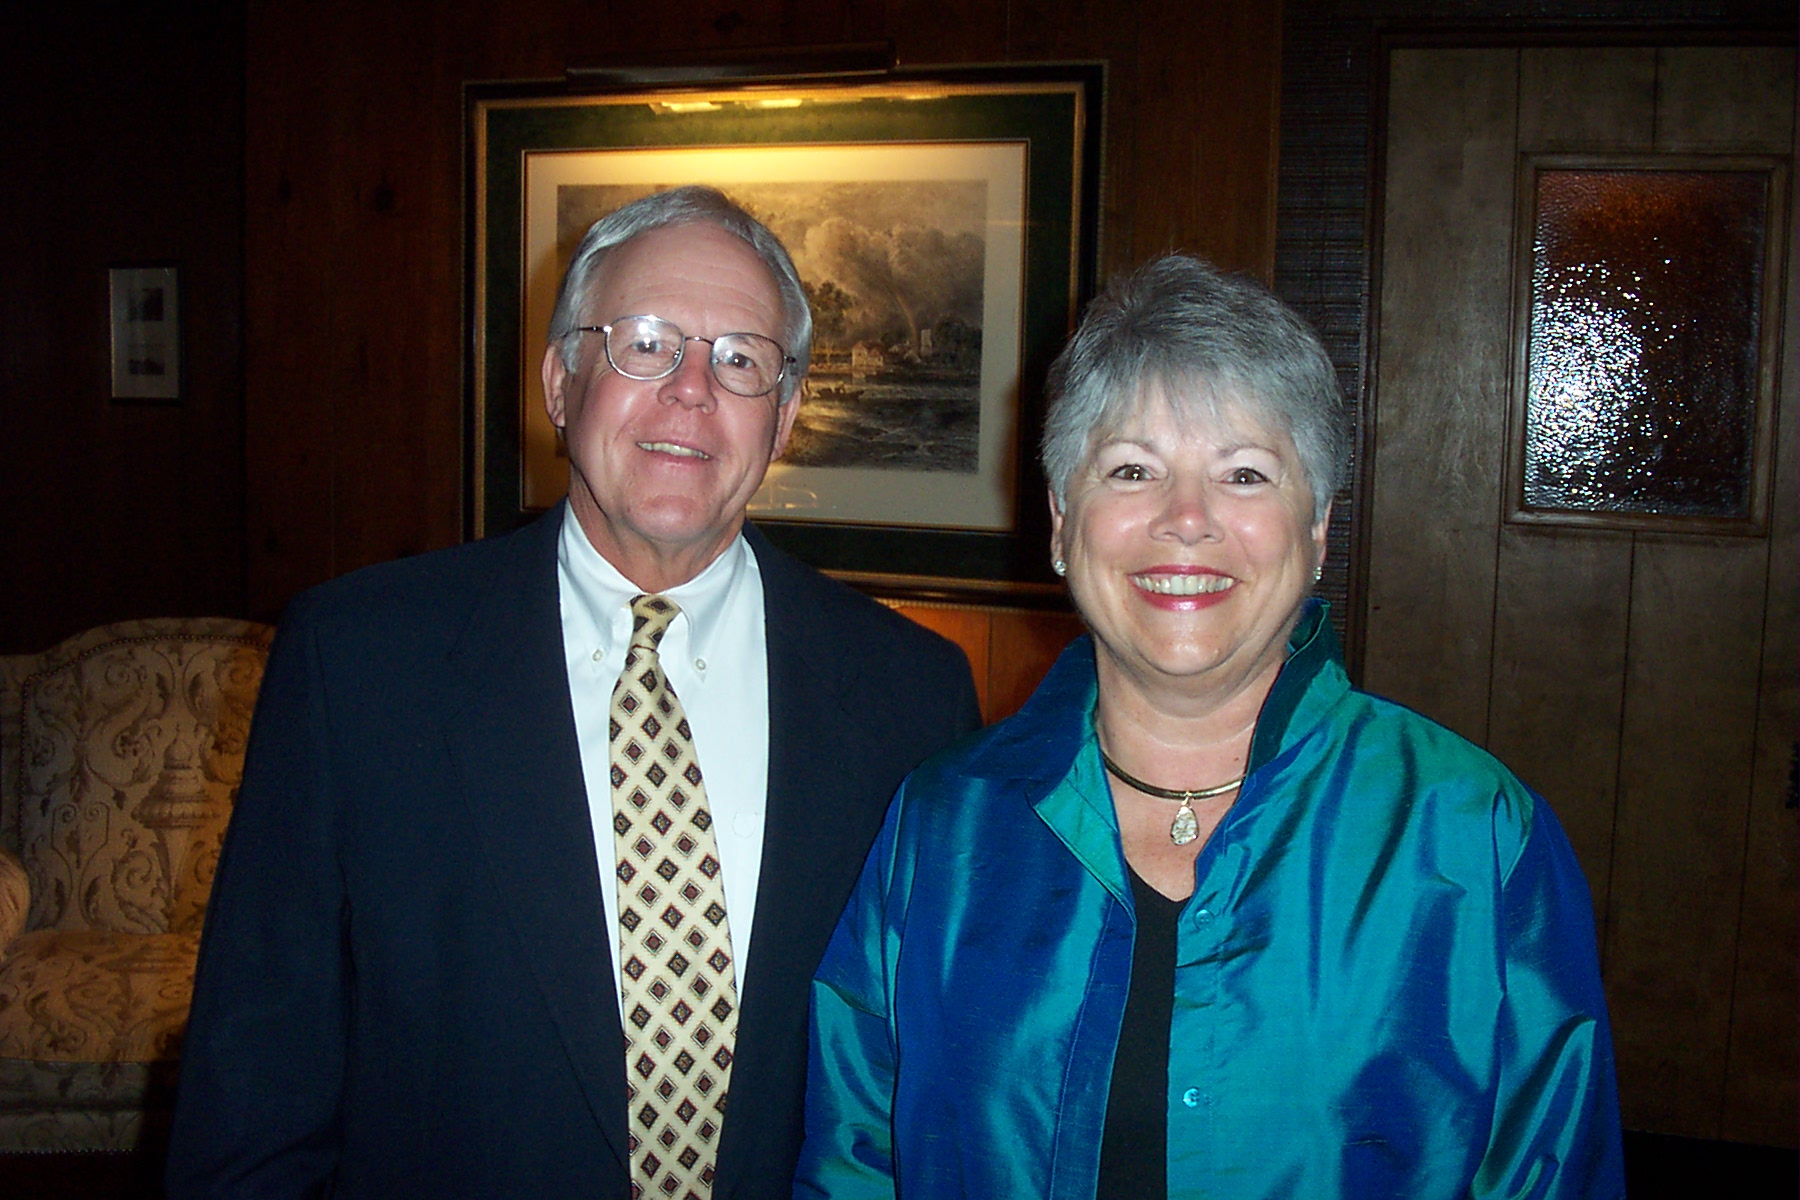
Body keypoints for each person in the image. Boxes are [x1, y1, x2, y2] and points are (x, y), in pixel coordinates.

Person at [165, 186, 980, 1199]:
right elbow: (254, 1096)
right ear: (561, 382)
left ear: (783, 418)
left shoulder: (913, 698)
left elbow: (936, 1094)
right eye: (646, 343)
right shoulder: (358, 665)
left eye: (740, 359)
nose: (691, 389)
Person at [796, 254, 1625, 1199]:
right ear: (1062, 522)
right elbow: (855, 1161)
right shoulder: (944, 823)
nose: (1186, 519)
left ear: (1317, 528)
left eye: (1243, 474)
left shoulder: (1473, 835)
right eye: (1132, 469)